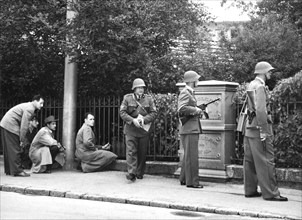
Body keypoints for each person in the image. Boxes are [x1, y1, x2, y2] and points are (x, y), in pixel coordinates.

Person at [244, 61, 288, 201]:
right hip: (259, 128)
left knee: (249, 161)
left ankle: (250, 190)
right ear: (263, 72)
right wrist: (264, 130)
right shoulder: (260, 87)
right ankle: (271, 193)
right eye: (269, 71)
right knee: (266, 160)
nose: (270, 73)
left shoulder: (251, 85)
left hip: (250, 127)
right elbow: (261, 110)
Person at [120, 78, 157, 181]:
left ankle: (139, 173)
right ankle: (131, 173)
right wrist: (132, 120)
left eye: (142, 87)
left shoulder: (149, 99)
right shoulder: (127, 98)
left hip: (143, 130)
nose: (141, 89)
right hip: (131, 129)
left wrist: (144, 120)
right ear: (134, 88)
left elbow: (154, 113)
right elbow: (122, 113)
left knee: (142, 152)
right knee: (131, 151)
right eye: (138, 87)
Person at [0, 95, 44, 177]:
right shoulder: (30, 108)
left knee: (9, 149)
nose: (42, 105)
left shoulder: (27, 105)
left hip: (5, 124)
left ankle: (10, 170)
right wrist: (22, 139)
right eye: (40, 103)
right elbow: (24, 125)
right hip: (10, 124)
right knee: (15, 148)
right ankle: (18, 171)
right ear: (34, 101)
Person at [178, 71, 204, 188]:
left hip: (190, 128)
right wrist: (196, 110)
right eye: (197, 79)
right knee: (192, 156)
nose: (198, 81)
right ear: (192, 81)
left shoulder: (189, 92)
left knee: (188, 155)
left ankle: (184, 178)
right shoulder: (185, 93)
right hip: (190, 129)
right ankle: (192, 182)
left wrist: (198, 110)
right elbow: (182, 109)